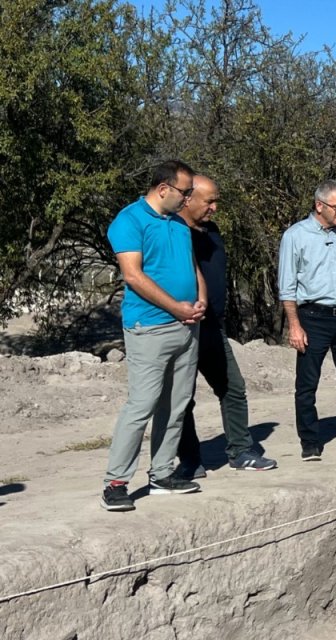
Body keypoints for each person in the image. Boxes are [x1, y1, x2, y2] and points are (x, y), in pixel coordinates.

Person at [101, 160, 206, 511]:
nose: (188, 198)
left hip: (188, 326)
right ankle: (116, 482)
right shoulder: (129, 221)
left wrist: (200, 298)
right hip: (150, 326)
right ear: (164, 189)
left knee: (176, 405)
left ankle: (162, 473)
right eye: (185, 192)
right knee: (142, 404)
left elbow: (191, 267)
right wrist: (176, 307)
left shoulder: (178, 223)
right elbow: (132, 275)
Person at [173, 176, 277, 479]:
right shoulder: (173, 233)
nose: (215, 207)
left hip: (213, 328)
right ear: (188, 199)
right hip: (183, 327)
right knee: (182, 397)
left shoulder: (212, 231)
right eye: (209, 201)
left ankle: (241, 450)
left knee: (233, 387)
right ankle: (189, 460)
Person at [278, 180, 336, 461]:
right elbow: (287, 285)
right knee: (307, 385)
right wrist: (294, 325)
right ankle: (310, 441)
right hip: (312, 317)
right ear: (319, 205)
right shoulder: (295, 236)